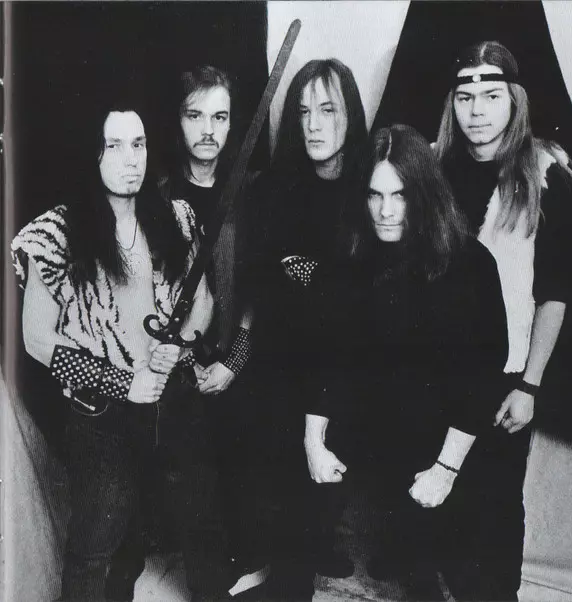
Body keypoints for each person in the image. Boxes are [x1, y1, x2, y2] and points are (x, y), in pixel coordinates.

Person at [10, 97, 233, 602]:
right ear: (93, 153)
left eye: (139, 144)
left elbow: (202, 301)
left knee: (203, 524)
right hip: (101, 412)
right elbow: (37, 339)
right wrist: (122, 381)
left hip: (173, 397)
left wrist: (181, 345)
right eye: (115, 146)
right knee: (97, 547)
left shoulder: (175, 218)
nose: (131, 159)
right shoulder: (55, 235)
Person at [304, 124, 509, 601]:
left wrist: (446, 469)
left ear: (425, 195)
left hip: (449, 436)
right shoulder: (352, 255)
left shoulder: (471, 264)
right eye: (374, 195)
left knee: (466, 578)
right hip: (376, 424)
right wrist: (314, 442)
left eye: (400, 195)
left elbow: (482, 375)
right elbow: (326, 353)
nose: (386, 211)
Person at [435, 40, 572, 600]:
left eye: (491, 96)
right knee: (437, 502)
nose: (476, 110)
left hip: (504, 374)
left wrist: (530, 385)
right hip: (437, 370)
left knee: (493, 505)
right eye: (465, 96)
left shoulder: (544, 175)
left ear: (514, 100)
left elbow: (556, 294)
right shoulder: (431, 169)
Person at [246, 58, 368, 598]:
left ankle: (315, 547)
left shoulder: (370, 187)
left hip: (352, 360)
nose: (313, 124)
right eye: (302, 112)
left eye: (327, 110)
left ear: (350, 115)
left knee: (336, 455)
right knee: (289, 457)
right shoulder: (276, 189)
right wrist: (323, 281)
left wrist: (312, 275)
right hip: (287, 356)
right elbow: (265, 283)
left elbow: (368, 287)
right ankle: (291, 580)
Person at [157, 64, 266, 595]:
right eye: (195, 115)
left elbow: (259, 287)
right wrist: (184, 362)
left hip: (238, 359)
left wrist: (233, 361)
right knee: (192, 483)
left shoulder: (251, 192)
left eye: (219, 117)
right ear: (177, 120)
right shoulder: (156, 194)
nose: (208, 130)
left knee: (246, 475)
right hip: (177, 368)